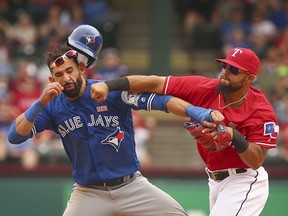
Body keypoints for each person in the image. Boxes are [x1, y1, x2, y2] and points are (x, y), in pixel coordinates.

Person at [8, 25, 225, 216]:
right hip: (88, 192)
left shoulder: (107, 91)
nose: (65, 78)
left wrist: (199, 113)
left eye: (69, 71)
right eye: (58, 75)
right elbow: (15, 136)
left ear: (81, 69)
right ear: (51, 79)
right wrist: (40, 102)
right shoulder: (51, 106)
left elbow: (162, 102)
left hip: (131, 187)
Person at [91, 47, 279, 216]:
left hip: (244, 180)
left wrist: (233, 135)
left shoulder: (261, 111)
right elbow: (155, 83)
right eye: (224, 66)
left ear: (250, 78)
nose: (225, 73)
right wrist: (109, 85)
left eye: (234, 70)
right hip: (215, 180)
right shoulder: (204, 88)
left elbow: (256, 161)